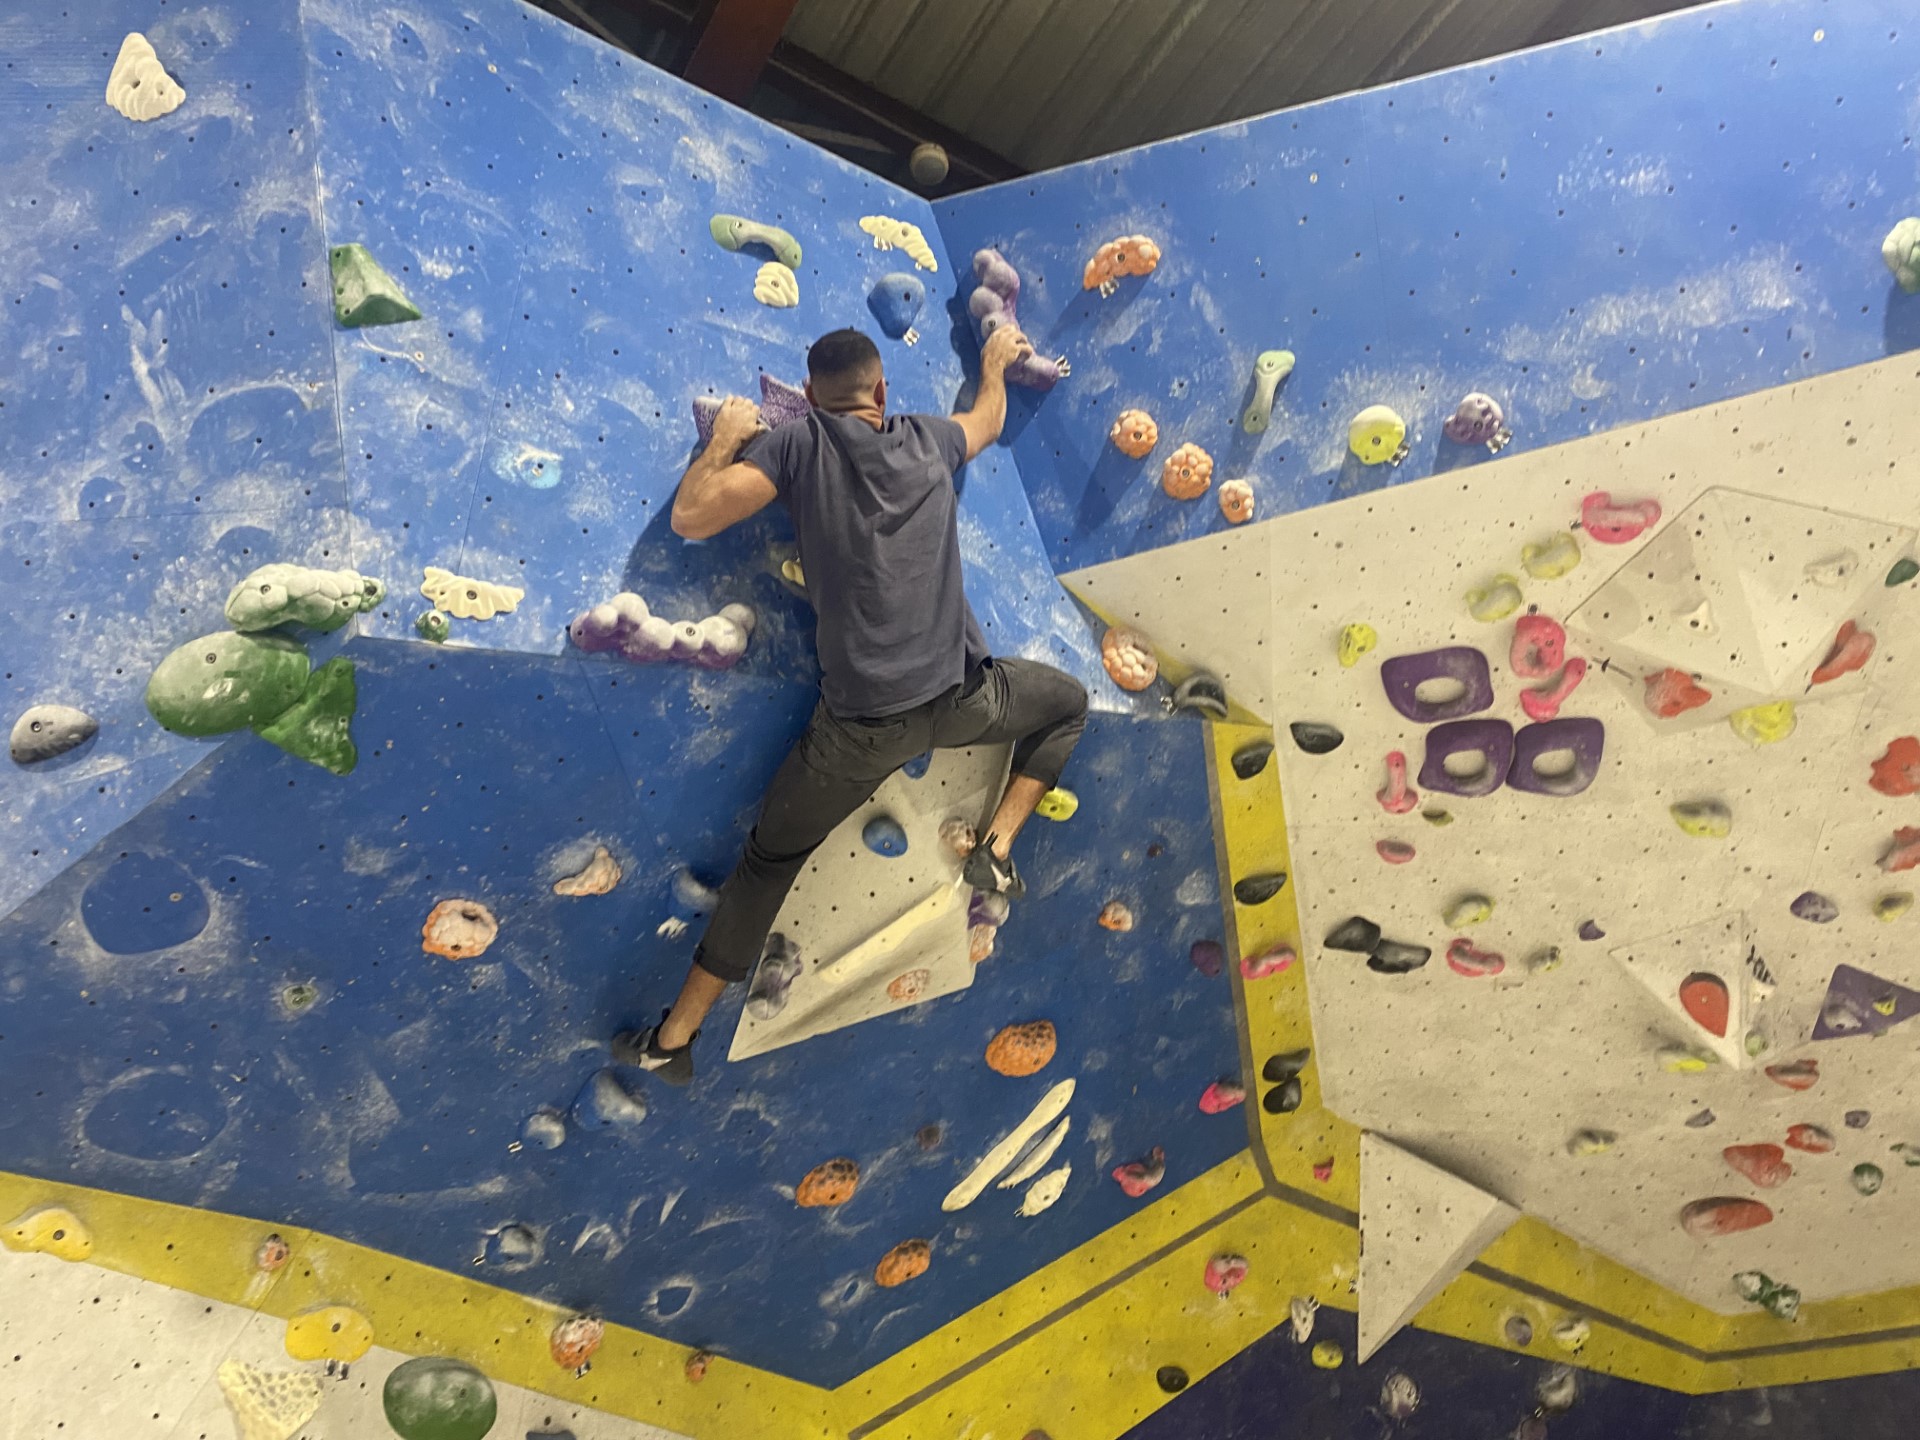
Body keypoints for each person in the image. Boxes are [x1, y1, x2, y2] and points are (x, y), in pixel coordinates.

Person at [612, 325, 1089, 1087]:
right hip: (962, 700)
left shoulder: (799, 445)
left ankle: (674, 1040)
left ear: (809, 397)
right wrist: (995, 363)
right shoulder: (929, 438)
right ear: (882, 391)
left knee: (769, 864)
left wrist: (727, 437)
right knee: (1067, 704)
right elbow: (987, 421)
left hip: (861, 731)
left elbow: (692, 517)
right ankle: (996, 851)